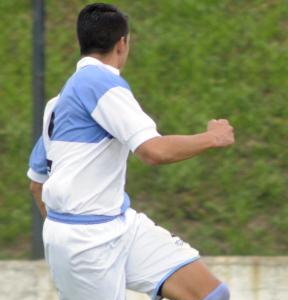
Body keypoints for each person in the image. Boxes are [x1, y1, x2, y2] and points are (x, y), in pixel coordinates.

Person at [27, 3, 232, 300]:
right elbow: (153, 151)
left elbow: (37, 185)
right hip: (87, 243)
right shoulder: (103, 85)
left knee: (211, 294)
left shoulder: (56, 105)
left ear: (81, 42)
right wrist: (212, 137)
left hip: (118, 225)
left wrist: (62, 235)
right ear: (122, 43)